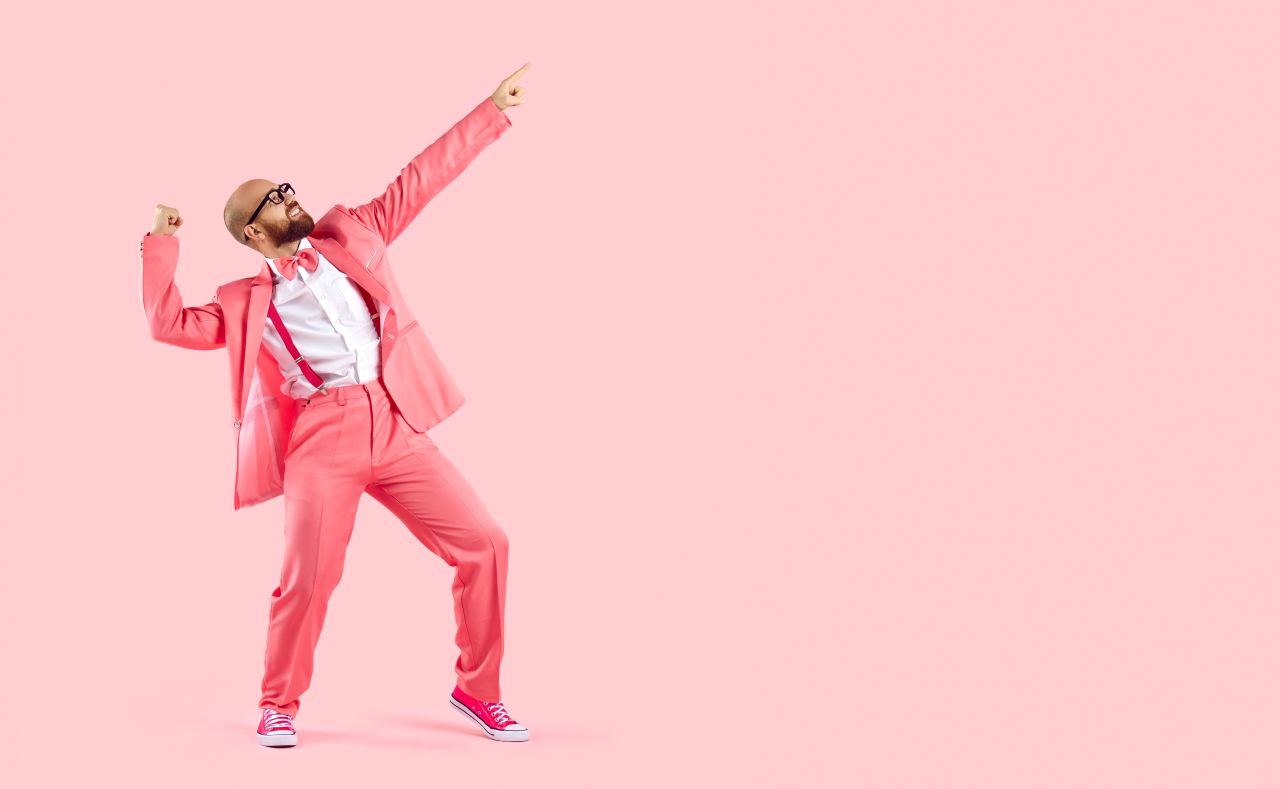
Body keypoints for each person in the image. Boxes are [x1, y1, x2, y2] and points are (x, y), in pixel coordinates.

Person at [138, 64, 532, 748]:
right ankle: (278, 703)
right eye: (273, 200)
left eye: (286, 188)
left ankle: (478, 689)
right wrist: (162, 243)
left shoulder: (355, 233)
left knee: (487, 544)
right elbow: (168, 324)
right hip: (322, 436)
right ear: (252, 233)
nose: (290, 198)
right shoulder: (245, 300)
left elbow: (421, 178)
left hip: (396, 418)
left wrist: (492, 109)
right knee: (308, 578)